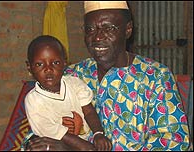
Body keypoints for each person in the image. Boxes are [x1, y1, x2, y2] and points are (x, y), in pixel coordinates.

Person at [25, 1, 191, 151]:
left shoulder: (155, 77)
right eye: (90, 29)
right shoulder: (70, 75)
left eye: (109, 28)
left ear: (128, 30)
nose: (97, 37)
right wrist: (37, 144)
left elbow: (174, 143)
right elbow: (36, 129)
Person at [21, 35, 112, 151]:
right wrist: (86, 147)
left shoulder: (74, 84)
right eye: (39, 64)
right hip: (56, 144)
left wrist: (98, 134)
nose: (48, 69)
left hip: (86, 140)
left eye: (55, 63)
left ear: (65, 63)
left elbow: (88, 111)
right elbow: (57, 133)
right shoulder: (33, 100)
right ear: (29, 67)